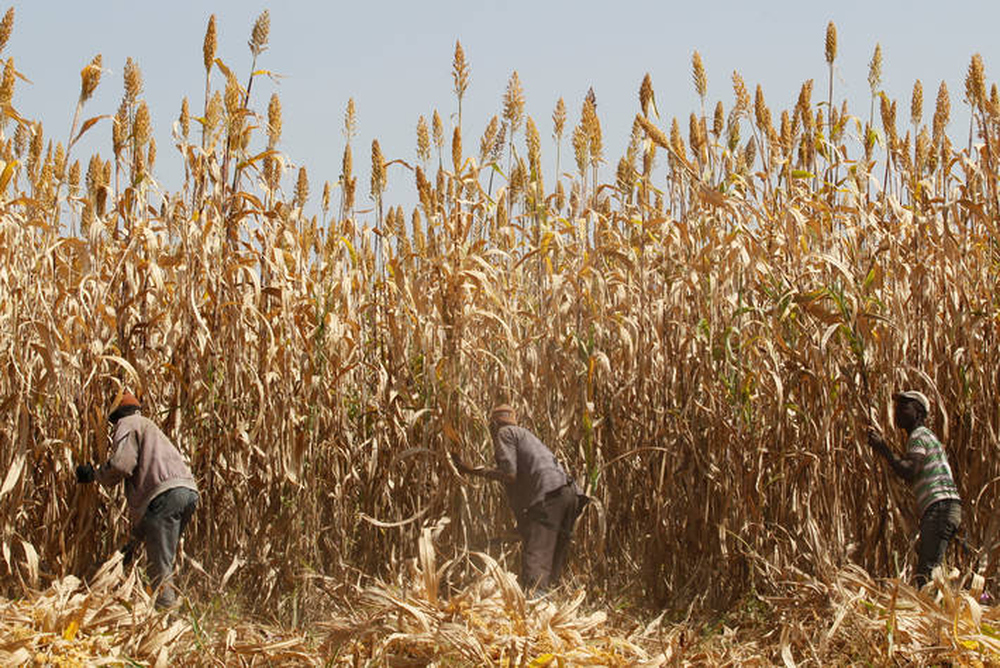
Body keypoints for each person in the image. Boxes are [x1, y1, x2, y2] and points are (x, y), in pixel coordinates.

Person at [76, 392, 199, 609]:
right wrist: (132, 544)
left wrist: (94, 474)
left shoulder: (127, 424)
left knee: (158, 565)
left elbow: (121, 465)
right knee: (161, 555)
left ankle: (166, 616)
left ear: (116, 415)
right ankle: (162, 608)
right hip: (186, 492)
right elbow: (152, 502)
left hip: (165, 495)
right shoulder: (148, 426)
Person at [452, 404, 585, 595]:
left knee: (537, 554)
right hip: (570, 495)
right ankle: (550, 602)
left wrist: (472, 470)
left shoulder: (505, 433)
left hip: (550, 494)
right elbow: (524, 485)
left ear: (493, 425)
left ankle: (536, 603)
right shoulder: (527, 437)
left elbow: (509, 474)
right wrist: (523, 525)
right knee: (554, 554)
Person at [867, 390, 962, 588]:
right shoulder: (926, 436)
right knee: (934, 570)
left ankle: (931, 607)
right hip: (945, 507)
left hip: (940, 507)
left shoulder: (919, 436)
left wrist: (883, 448)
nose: (898, 411)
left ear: (919, 413)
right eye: (897, 407)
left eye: (905, 406)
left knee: (926, 576)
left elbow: (909, 470)